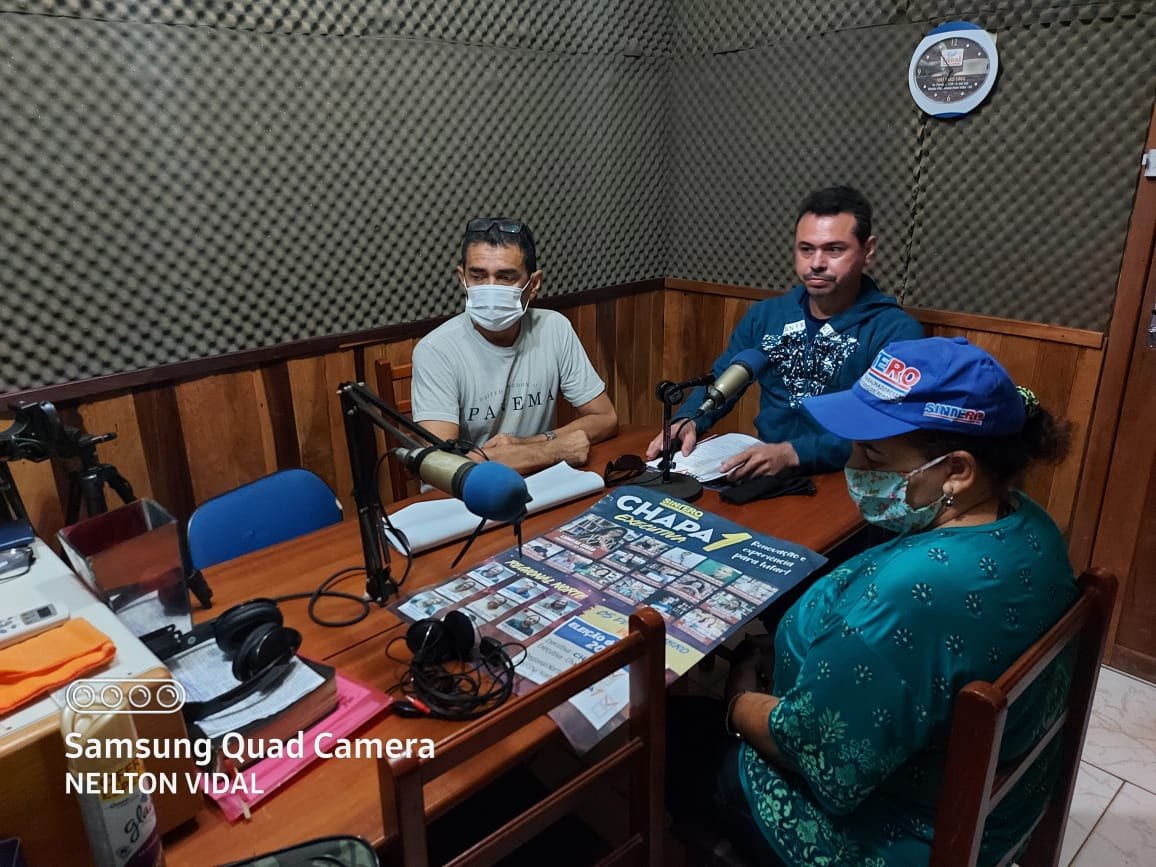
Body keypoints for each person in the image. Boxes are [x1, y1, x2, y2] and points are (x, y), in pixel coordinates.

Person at [665, 337, 1078, 866]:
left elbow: (818, 757)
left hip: (904, 830)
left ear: (958, 471)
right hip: (1000, 803)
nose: (853, 464)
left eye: (874, 455)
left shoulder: (913, 595)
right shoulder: (1028, 519)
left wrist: (737, 698)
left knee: (674, 732)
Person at [646, 186, 923, 480]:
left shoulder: (895, 332)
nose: (816, 263)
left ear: (868, 251)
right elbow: (723, 379)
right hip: (766, 471)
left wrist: (794, 453)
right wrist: (689, 419)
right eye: (806, 249)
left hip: (850, 479)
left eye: (834, 249)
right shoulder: (766, 316)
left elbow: (888, 429)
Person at [411, 217, 618, 474]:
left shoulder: (554, 328)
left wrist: (528, 444)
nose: (490, 288)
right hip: (469, 491)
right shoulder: (436, 350)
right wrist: (553, 450)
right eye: (478, 276)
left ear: (534, 284)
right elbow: (443, 464)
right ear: (462, 278)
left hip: (538, 480)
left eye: (505, 277)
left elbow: (605, 418)